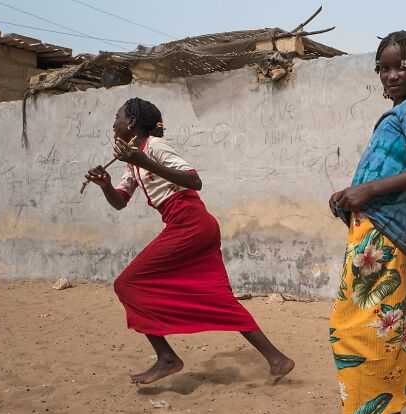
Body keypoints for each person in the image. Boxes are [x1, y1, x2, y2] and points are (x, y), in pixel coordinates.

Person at [85, 97, 295, 385]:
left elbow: (194, 181)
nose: (114, 122)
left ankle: (167, 358)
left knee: (127, 283)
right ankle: (277, 359)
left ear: (132, 123)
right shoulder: (132, 161)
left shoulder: (153, 148)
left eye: (118, 116)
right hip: (190, 225)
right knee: (218, 297)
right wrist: (106, 185)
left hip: (191, 223)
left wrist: (144, 160)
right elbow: (120, 202)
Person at [313, 30, 406, 414]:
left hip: (380, 241)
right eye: (383, 68)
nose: (390, 75)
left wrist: (366, 191)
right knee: (389, 329)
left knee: (352, 329)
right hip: (376, 234)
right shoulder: (396, 115)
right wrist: (351, 197)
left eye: (400, 66)